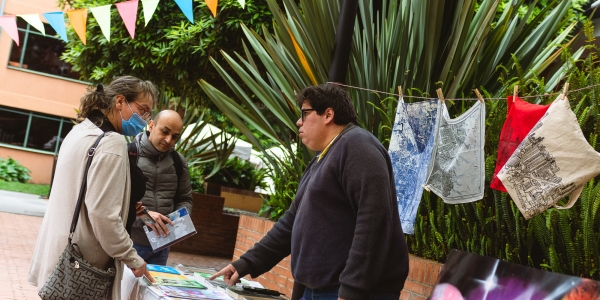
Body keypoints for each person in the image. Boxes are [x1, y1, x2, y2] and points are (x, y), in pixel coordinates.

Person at [211, 84, 409, 300]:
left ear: (328, 114)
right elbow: (291, 222)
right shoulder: (322, 157)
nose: (299, 122)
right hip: (317, 291)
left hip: (346, 293)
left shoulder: (357, 145)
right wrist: (246, 263)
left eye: (304, 114)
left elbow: (373, 220)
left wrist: (352, 290)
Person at [28, 75, 158, 299]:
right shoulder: (112, 142)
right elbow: (103, 215)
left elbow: (84, 192)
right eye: (142, 110)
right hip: (84, 269)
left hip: (61, 259)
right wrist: (134, 259)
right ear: (119, 101)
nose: (145, 119)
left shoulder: (81, 131)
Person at [129, 110, 193, 265]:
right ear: (151, 125)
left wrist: (177, 222)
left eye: (175, 136)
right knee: (124, 289)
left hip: (161, 247)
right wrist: (146, 216)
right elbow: (115, 200)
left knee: (153, 289)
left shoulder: (178, 162)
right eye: (165, 132)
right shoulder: (128, 154)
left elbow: (185, 199)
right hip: (129, 244)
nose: (169, 140)